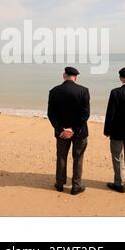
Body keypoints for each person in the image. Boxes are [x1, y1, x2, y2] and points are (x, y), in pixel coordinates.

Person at [47, 67, 90, 195]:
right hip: (80, 132)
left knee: (61, 156)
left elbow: (51, 114)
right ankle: (76, 186)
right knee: (78, 157)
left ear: (64, 76)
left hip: (61, 132)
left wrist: (61, 129)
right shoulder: (83, 91)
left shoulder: (54, 91)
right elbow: (85, 114)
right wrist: (73, 129)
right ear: (75, 77)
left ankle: (60, 183)